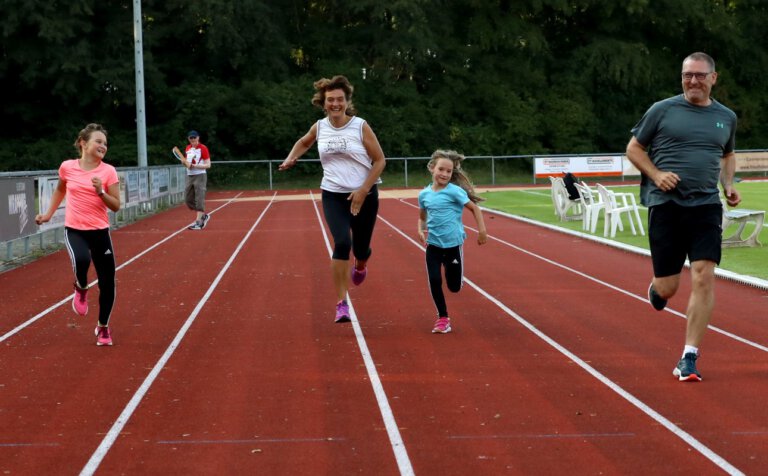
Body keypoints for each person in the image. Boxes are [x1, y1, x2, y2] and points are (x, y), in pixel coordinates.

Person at [626, 52, 740, 382]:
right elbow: (634, 148)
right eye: (687, 75)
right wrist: (657, 174)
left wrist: (728, 184)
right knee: (669, 287)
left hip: (705, 206)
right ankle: (658, 290)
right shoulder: (662, 110)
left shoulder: (726, 117)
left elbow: (728, 154)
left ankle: (689, 356)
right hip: (666, 205)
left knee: (704, 274)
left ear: (713, 78)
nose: (693, 81)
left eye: (699, 75)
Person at [279, 75, 386, 323]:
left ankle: (360, 265)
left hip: (365, 195)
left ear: (347, 101)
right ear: (323, 102)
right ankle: (342, 303)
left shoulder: (360, 126)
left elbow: (380, 160)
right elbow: (304, 141)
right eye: (330, 100)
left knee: (361, 248)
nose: (335, 104)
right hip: (333, 194)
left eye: (339, 99)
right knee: (341, 242)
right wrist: (291, 157)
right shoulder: (320, 127)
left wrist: (362, 191)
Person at [35, 123, 121, 346]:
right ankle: (81, 287)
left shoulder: (108, 171)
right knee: (82, 259)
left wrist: (100, 191)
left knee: (108, 283)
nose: (103, 146)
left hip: (100, 232)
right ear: (83, 143)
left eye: (105, 143)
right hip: (75, 230)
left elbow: (116, 206)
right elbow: (61, 189)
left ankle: (103, 327)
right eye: (98, 141)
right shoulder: (67, 167)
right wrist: (47, 214)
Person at [417, 150, 488, 334]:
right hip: (433, 245)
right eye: (441, 169)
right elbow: (423, 214)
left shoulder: (455, 192)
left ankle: (456, 276)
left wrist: (482, 231)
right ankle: (443, 317)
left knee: (454, 287)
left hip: (453, 246)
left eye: (449, 171)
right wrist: (420, 228)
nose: (445, 174)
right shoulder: (424, 194)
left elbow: (475, 209)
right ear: (432, 168)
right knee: (434, 279)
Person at [182, 130, 211, 230]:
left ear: (198, 138)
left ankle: (199, 222)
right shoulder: (188, 148)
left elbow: (208, 165)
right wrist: (184, 163)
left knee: (199, 198)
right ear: (188, 139)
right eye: (191, 138)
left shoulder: (203, 148)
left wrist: (196, 166)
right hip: (190, 176)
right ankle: (203, 215)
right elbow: (187, 163)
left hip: (200, 175)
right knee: (187, 199)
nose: (193, 139)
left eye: (194, 137)